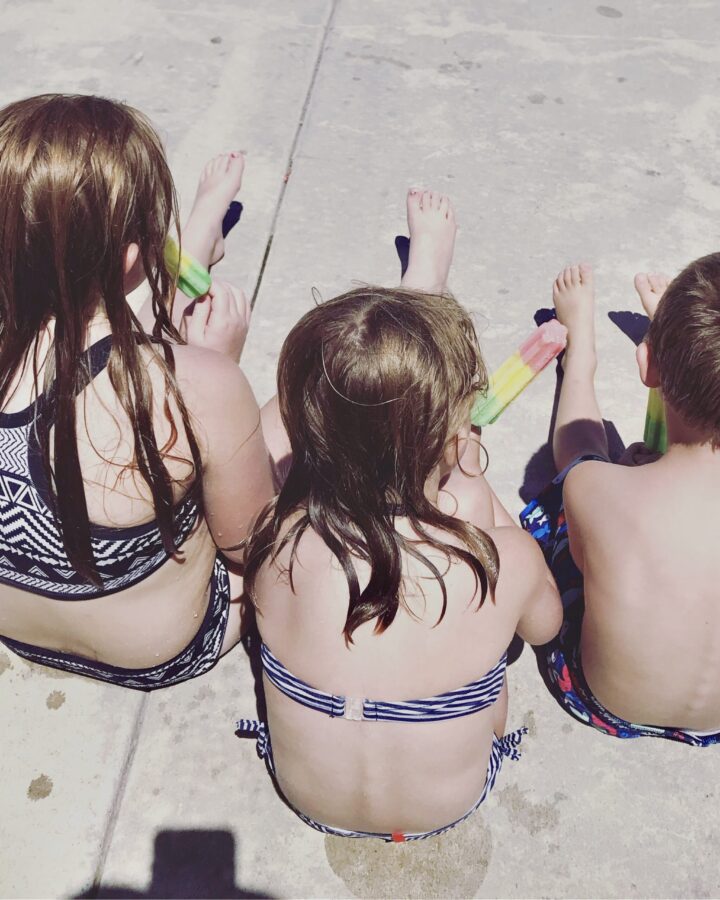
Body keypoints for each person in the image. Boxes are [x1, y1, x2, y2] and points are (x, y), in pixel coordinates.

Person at [238, 189, 562, 841]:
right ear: (452, 436)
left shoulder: (274, 535)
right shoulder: (506, 559)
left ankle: (407, 307)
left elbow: (276, 443)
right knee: (485, 664)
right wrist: (473, 484)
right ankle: (423, 296)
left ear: (305, 435)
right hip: (450, 802)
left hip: (306, 795)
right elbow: (547, 629)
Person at [0, 94, 274, 689]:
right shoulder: (196, 386)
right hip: (159, 650)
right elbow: (251, 547)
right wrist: (209, 372)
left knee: (114, 345)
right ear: (135, 256)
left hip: (16, 627)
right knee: (306, 413)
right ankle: (194, 247)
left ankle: (199, 239)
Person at [522, 259, 720, 745]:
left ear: (646, 365)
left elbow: (576, 452)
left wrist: (580, 365)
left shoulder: (602, 491)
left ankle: (582, 358)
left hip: (606, 703)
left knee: (567, 495)